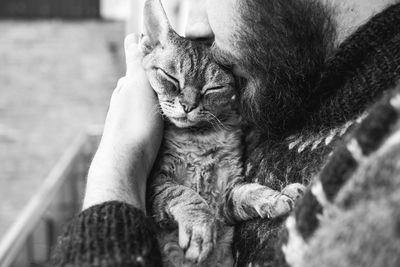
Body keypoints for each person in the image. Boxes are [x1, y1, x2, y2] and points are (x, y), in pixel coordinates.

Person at [51, 0, 400, 266]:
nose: (195, 25)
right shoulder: (278, 85)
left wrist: (115, 172)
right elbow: (223, 197)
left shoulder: (381, 182)